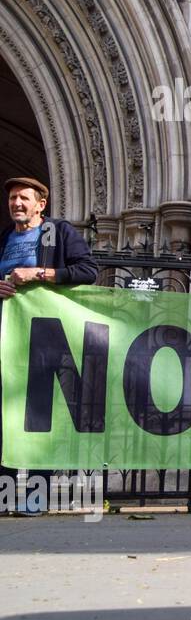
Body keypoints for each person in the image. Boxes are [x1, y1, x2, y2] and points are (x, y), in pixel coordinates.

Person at [0, 177, 99, 515]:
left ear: (41, 204)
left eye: (24, 198)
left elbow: (88, 270)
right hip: (8, 339)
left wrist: (37, 273)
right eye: (13, 198)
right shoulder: (5, 238)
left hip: (45, 338)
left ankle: (35, 497)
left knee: (38, 417)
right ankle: (4, 495)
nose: (17, 204)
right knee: (5, 419)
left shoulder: (57, 232)